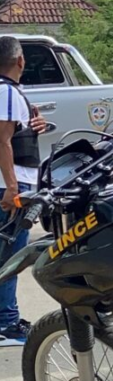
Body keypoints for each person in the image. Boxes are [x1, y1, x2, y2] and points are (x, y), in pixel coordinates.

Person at [0, 36, 47, 346]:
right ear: (20, 61)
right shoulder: (6, 91)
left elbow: (12, 135)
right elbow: (2, 140)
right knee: (11, 256)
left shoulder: (10, 93)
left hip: (10, 183)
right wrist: (12, 187)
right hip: (9, 186)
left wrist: (34, 124)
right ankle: (7, 322)